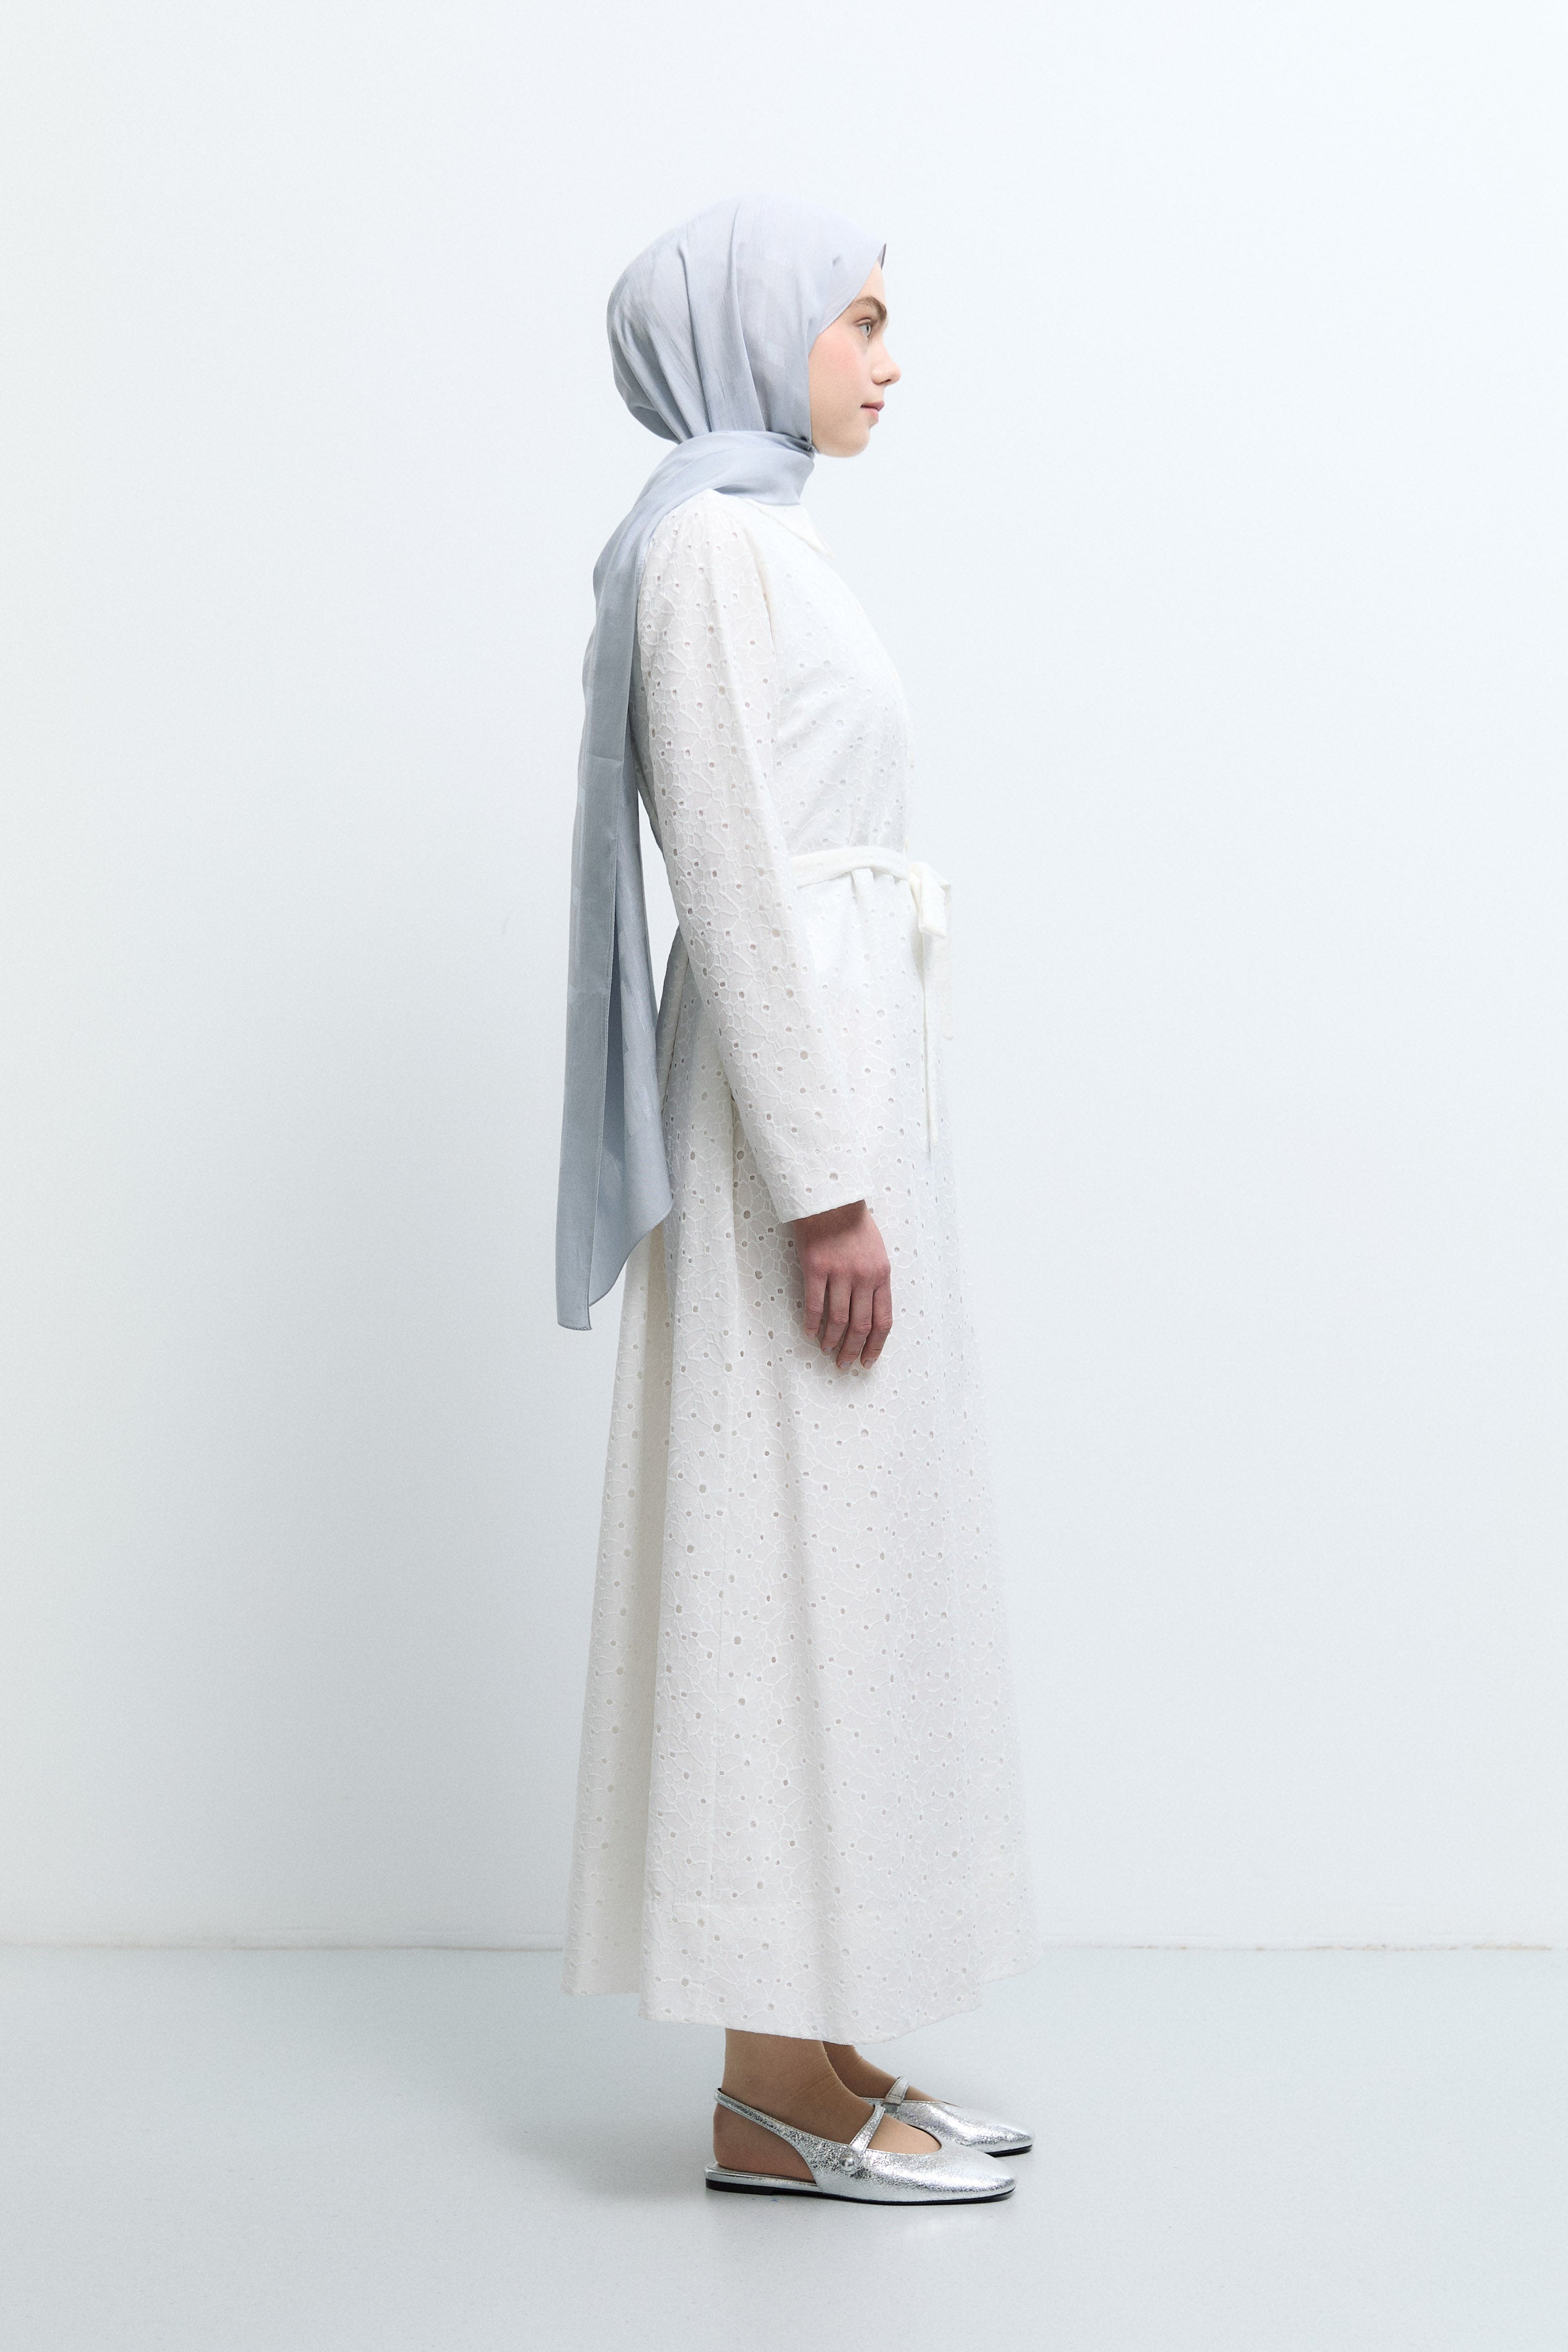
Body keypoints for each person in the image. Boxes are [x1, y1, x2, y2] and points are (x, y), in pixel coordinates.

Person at [555, 195, 1039, 2206]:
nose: (889, 359)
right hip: (792, 1112)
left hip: (840, 1077)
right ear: (761, 332)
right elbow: (732, 867)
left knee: (842, 1546)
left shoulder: (764, 537)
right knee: (780, 1546)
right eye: (860, 319)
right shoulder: (707, 550)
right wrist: (825, 1189)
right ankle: (773, 2092)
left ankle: (820, 2049)